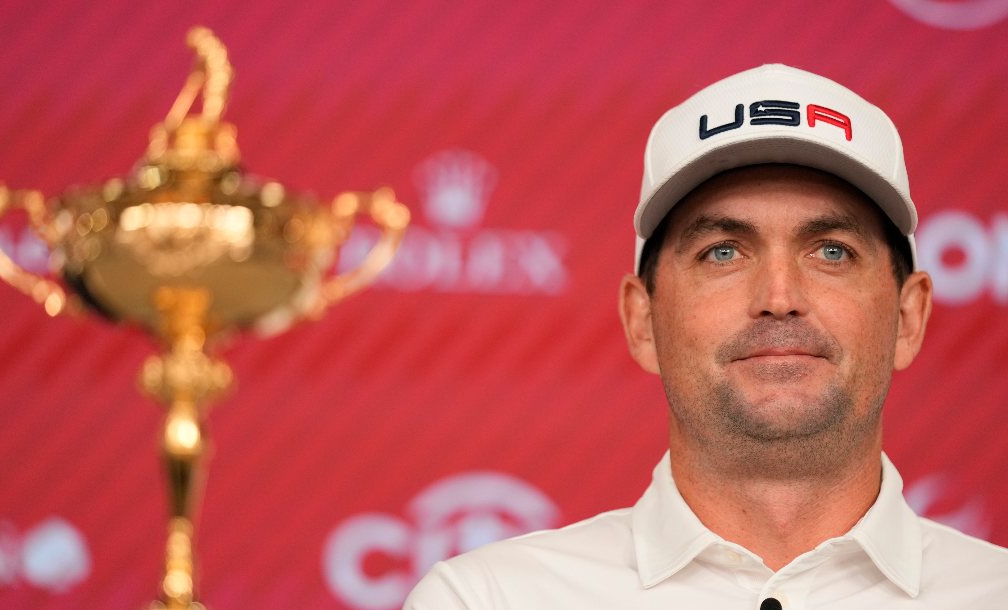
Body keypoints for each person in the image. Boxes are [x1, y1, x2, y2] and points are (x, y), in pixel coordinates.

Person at [403, 64, 1008, 609]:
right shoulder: (489, 600)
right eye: (723, 252)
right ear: (643, 320)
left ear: (909, 318)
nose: (779, 298)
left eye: (831, 251)